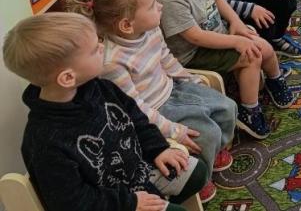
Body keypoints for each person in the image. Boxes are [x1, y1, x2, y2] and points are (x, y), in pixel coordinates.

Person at [2, 12, 207, 211]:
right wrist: (129, 203)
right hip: (112, 203)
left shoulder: (101, 87)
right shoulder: (45, 142)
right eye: (94, 50)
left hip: (138, 172)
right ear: (68, 78)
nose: (102, 47)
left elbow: (137, 118)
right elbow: (72, 203)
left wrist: (158, 148)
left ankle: (159, 197)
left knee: (197, 172)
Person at [65, 0, 237, 203]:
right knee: (206, 133)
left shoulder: (151, 29)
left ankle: (214, 151)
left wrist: (188, 79)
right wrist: (172, 130)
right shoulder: (112, 62)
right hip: (156, 110)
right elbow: (135, 107)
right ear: (127, 25)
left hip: (174, 89)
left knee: (227, 107)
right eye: (152, 5)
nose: (160, 6)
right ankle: (202, 177)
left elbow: (166, 58)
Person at [149, 0, 295, 140]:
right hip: (196, 53)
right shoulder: (171, 0)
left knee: (263, 45)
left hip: (220, 34)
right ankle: (249, 111)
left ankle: (275, 79)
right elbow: (195, 37)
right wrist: (235, 41)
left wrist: (236, 22)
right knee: (252, 56)